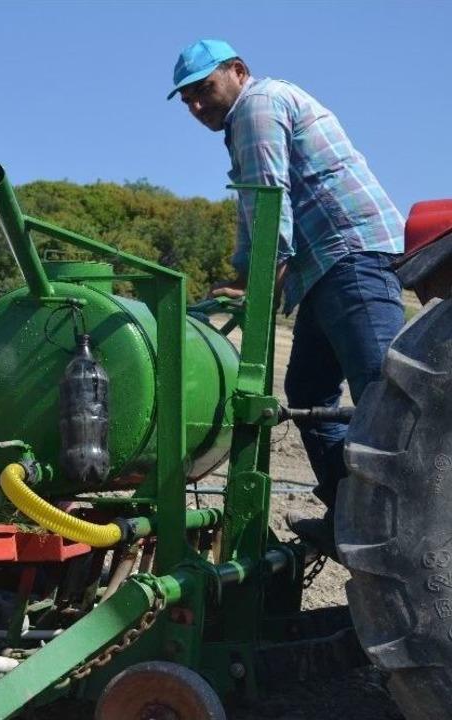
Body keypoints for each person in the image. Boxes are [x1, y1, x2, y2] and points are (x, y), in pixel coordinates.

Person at [168, 39, 405, 553]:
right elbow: (253, 208)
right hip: (323, 268)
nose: (197, 105)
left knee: (383, 398)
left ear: (238, 70)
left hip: (350, 255)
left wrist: (260, 285)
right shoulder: (249, 117)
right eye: (187, 99)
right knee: (308, 392)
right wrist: (245, 277)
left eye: (204, 89)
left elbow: (268, 200)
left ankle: (405, 528)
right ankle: (352, 516)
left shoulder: (257, 105)